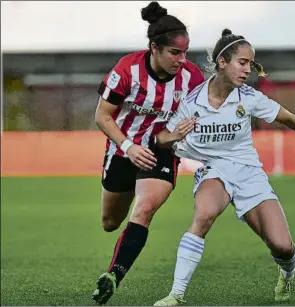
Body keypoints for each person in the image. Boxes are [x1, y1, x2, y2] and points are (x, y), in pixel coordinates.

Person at [152, 29, 295, 306]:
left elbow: (290, 118)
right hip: (214, 169)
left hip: (249, 172)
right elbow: (161, 136)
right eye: (242, 62)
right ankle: (176, 294)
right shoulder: (192, 102)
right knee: (204, 214)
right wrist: (173, 136)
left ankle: (287, 273)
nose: (248, 70)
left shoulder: (248, 97)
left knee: (282, 246)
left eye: (250, 63)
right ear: (222, 62)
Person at [92, 2, 204, 305]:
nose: (182, 60)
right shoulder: (126, 70)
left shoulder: (191, 78)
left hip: (163, 150)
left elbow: (204, 113)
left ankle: (113, 275)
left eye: (185, 53)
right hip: (122, 148)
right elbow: (102, 116)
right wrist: (128, 147)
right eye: (174, 53)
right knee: (110, 222)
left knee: (143, 210)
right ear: (154, 48)